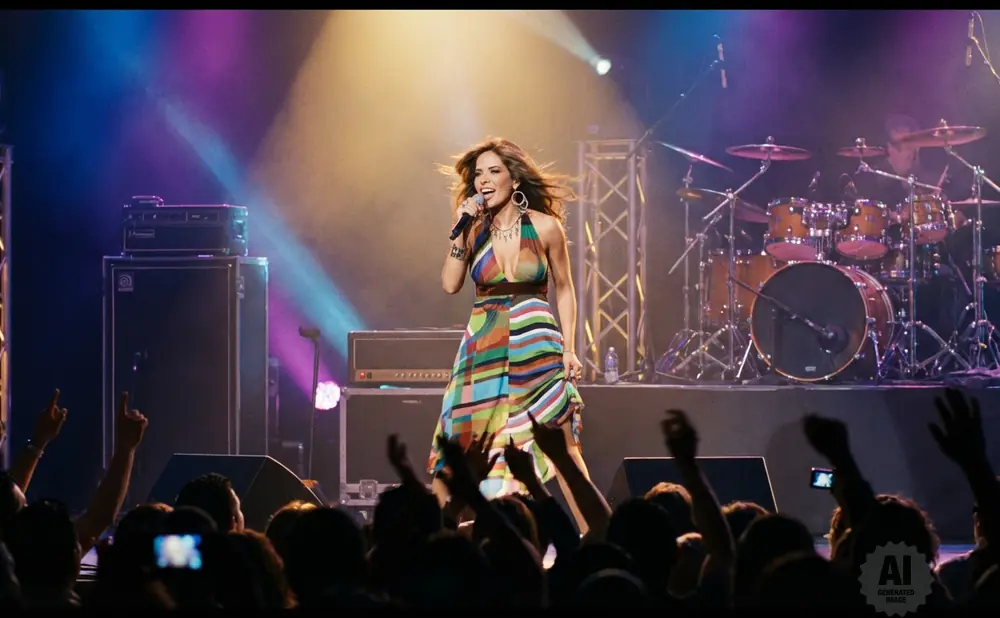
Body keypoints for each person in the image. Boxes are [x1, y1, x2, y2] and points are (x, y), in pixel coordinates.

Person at [428, 137, 590, 524]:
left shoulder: (546, 227)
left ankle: (595, 535)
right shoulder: (470, 231)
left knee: (561, 442)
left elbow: (565, 287)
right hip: (483, 345)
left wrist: (569, 348)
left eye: (493, 171)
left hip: (537, 342)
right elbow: (450, 284)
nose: (483, 180)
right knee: (458, 443)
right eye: (478, 174)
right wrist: (458, 231)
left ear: (514, 180)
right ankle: (443, 540)